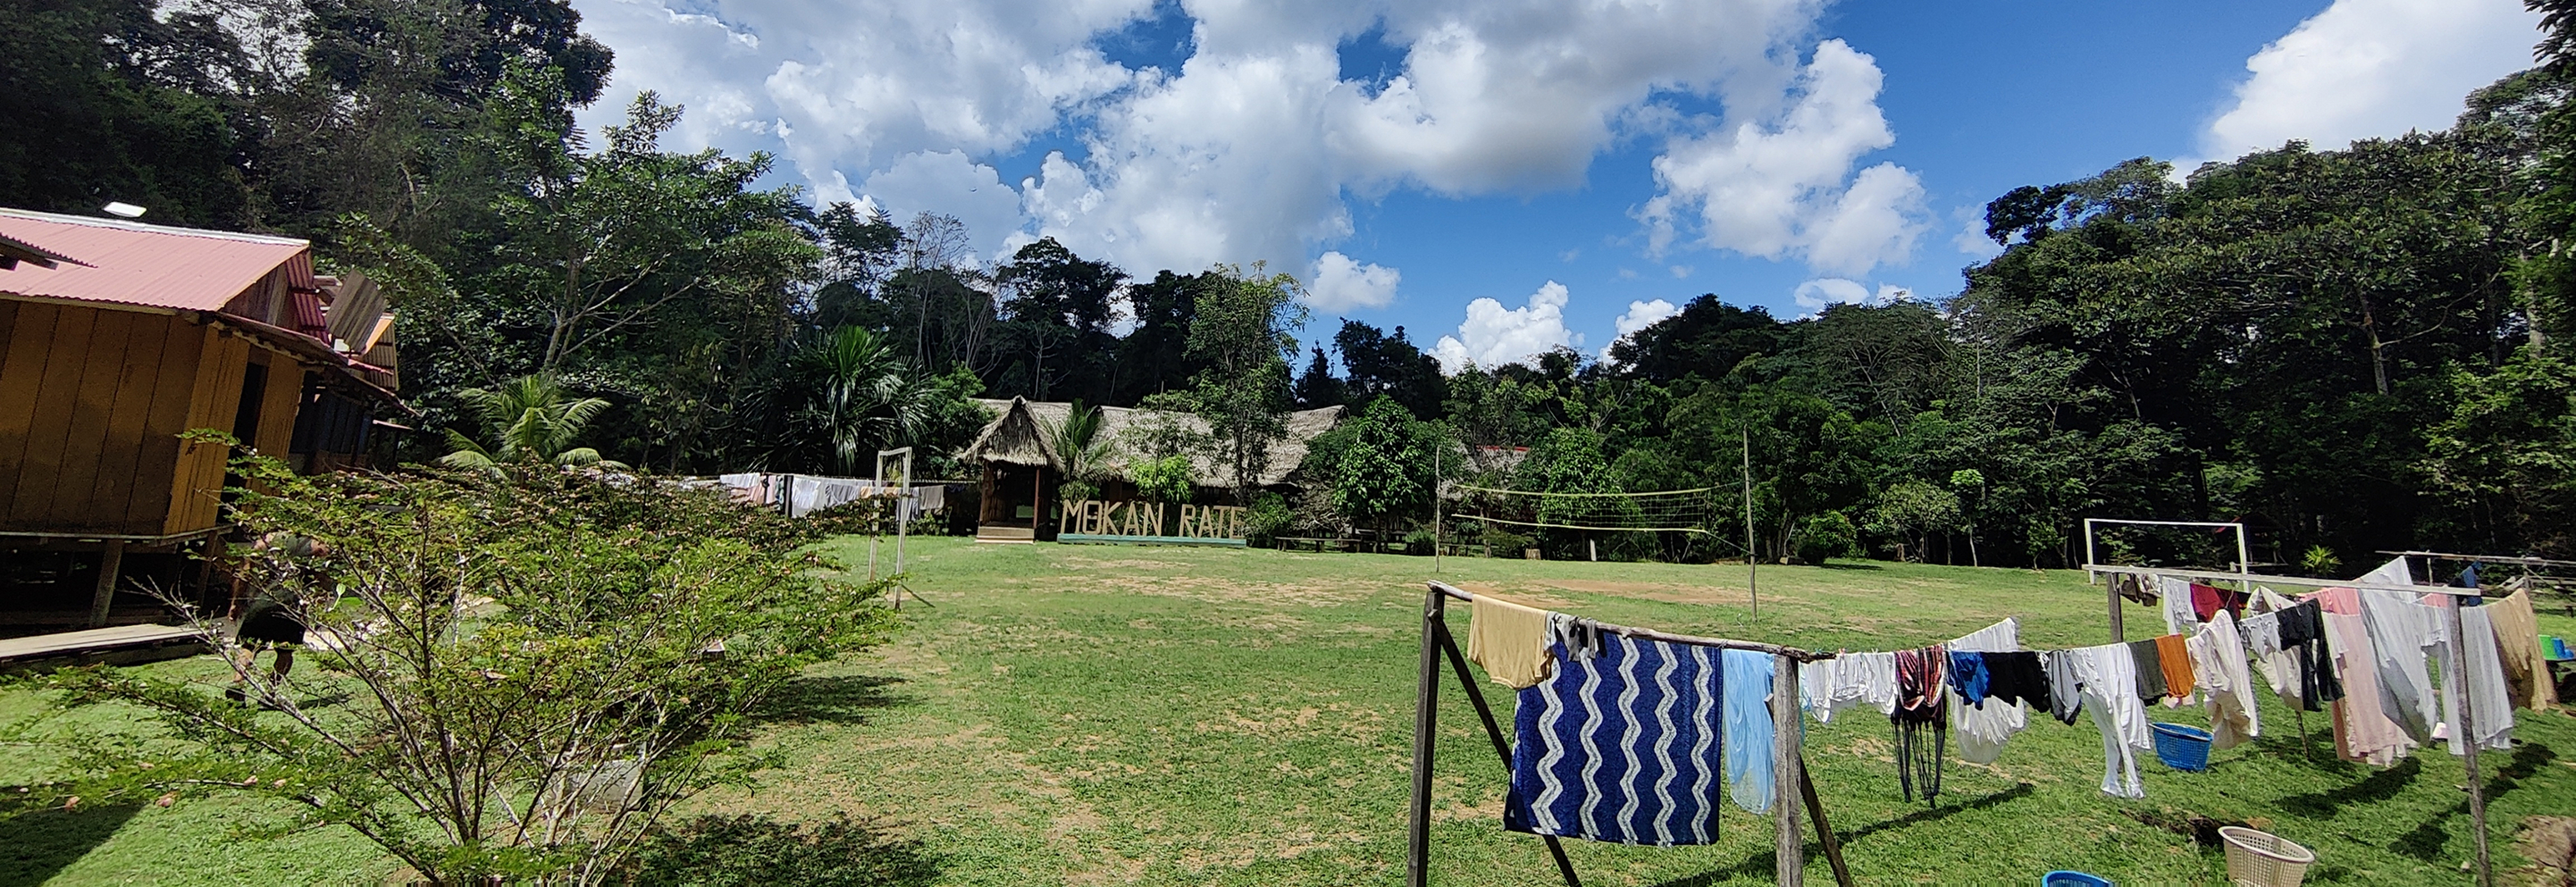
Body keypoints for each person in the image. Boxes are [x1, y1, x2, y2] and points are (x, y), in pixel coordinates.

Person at [225, 532, 325, 706]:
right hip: (291, 605)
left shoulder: (264, 542)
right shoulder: (316, 545)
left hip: (261, 602)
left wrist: (236, 602)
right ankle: (270, 692)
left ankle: (238, 682)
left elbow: (245, 574)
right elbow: (320, 579)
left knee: (249, 646)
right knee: (285, 653)